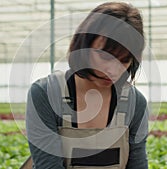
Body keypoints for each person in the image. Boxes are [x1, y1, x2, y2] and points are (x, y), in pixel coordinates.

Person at [25, 2, 148, 169]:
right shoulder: (46, 94)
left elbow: (137, 165)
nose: (113, 70)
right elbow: (48, 165)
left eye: (124, 60)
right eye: (105, 56)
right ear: (83, 45)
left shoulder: (135, 103)